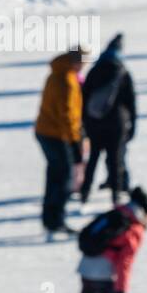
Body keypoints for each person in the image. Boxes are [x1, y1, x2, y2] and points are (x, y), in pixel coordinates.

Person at [35, 47, 88, 238]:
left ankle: (50, 218)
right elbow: (68, 115)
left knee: (54, 174)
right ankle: (56, 219)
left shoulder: (58, 72)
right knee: (64, 177)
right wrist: (75, 142)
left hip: (47, 131)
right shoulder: (66, 79)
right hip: (56, 134)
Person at [79, 33, 136, 207]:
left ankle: (85, 191)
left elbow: (84, 98)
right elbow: (131, 102)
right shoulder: (122, 72)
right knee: (115, 159)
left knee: (93, 158)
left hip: (95, 123)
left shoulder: (95, 70)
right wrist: (132, 126)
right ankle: (116, 196)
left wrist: (84, 124)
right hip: (117, 124)